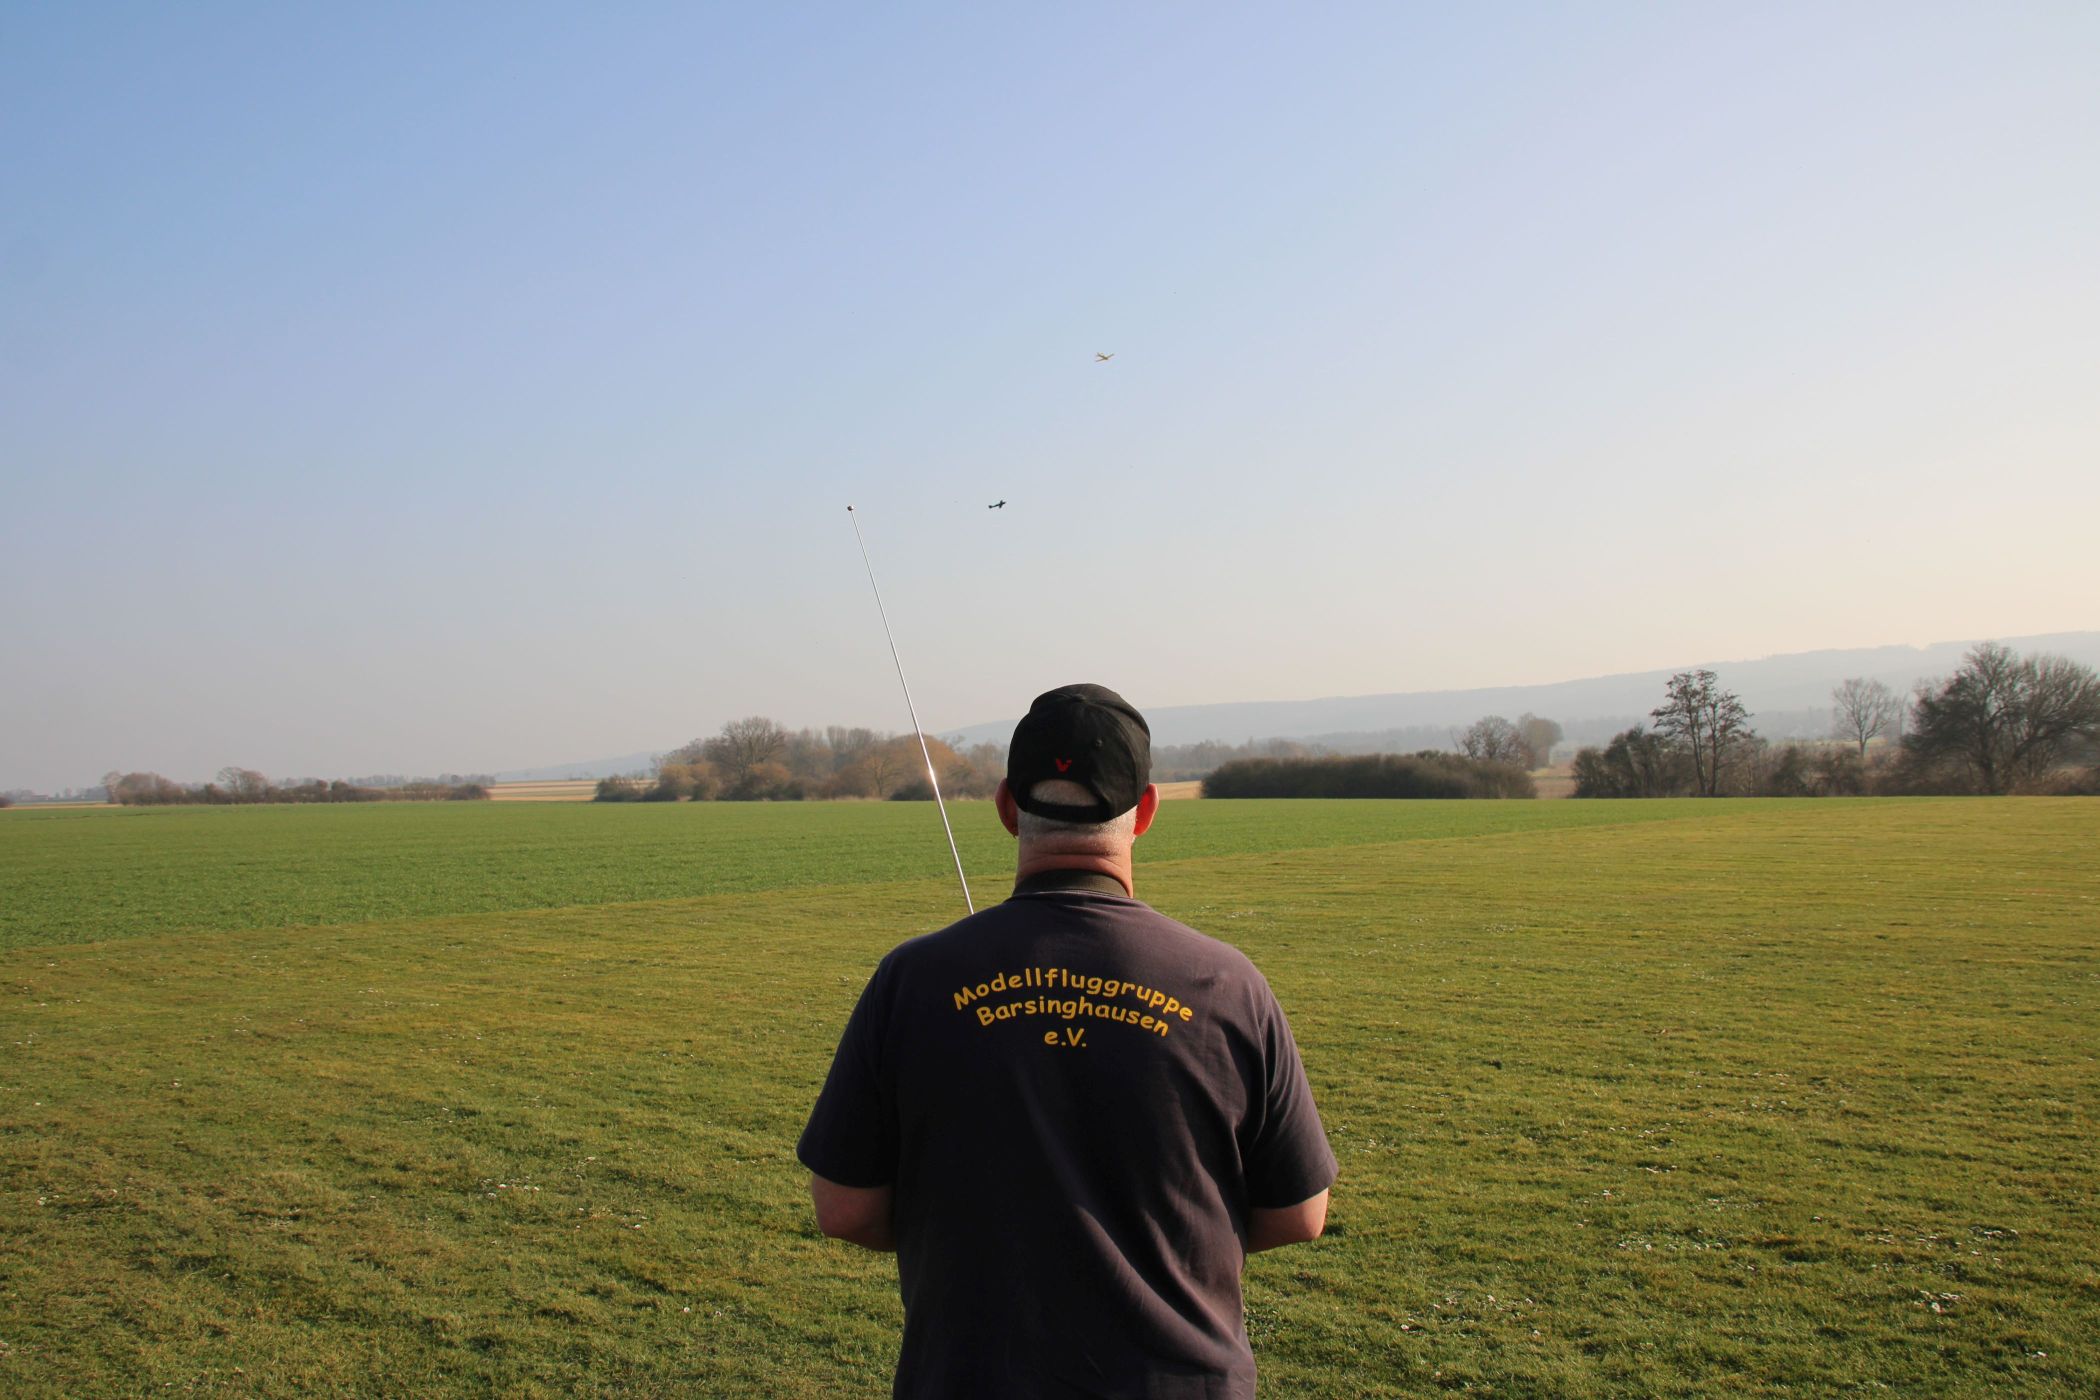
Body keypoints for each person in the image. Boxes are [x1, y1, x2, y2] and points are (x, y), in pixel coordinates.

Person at [798, 683, 1336, 1399]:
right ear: (1145, 811)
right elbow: (1300, 1214)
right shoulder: (1228, 984)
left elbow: (845, 1209)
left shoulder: (912, 979)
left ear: (1006, 807)